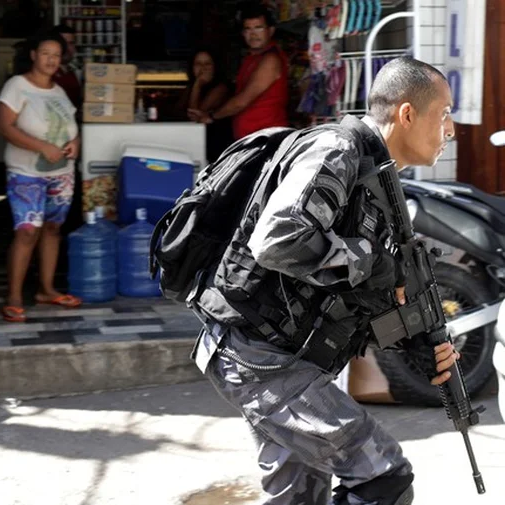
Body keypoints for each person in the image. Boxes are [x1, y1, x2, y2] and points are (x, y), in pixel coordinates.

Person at [193, 57, 458, 504]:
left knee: (299, 499)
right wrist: (370, 260)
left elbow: (351, 287)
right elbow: (277, 241)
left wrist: (413, 341)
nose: (450, 131)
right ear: (407, 114)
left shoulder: (379, 174)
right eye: (445, 115)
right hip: (263, 358)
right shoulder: (339, 151)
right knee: (383, 479)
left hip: (287, 356)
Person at [0, 31, 82, 323]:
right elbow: (5, 127)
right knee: (27, 231)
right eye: (46, 53)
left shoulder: (59, 91)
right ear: (33, 54)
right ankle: (14, 296)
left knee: (52, 229)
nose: (51, 60)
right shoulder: (17, 86)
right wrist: (42, 147)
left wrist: (75, 145)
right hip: (26, 173)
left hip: (61, 174)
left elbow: (73, 128)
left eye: (56, 55)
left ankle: (46, 289)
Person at [188, 5, 288, 140]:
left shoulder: (270, 60)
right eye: (248, 29)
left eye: (258, 28)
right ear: (243, 33)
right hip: (253, 139)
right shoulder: (252, 59)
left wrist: (212, 116)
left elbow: (242, 101)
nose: (253, 34)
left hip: (266, 139)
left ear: (270, 31)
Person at [176, 47, 232, 162]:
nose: (203, 68)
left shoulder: (221, 88)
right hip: (198, 146)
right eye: (198, 64)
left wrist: (197, 84)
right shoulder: (190, 88)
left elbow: (194, 116)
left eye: (207, 64)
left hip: (216, 149)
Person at [51, 24, 82, 110]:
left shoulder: (72, 71)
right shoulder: (47, 73)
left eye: (71, 43)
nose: (67, 48)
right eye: (63, 43)